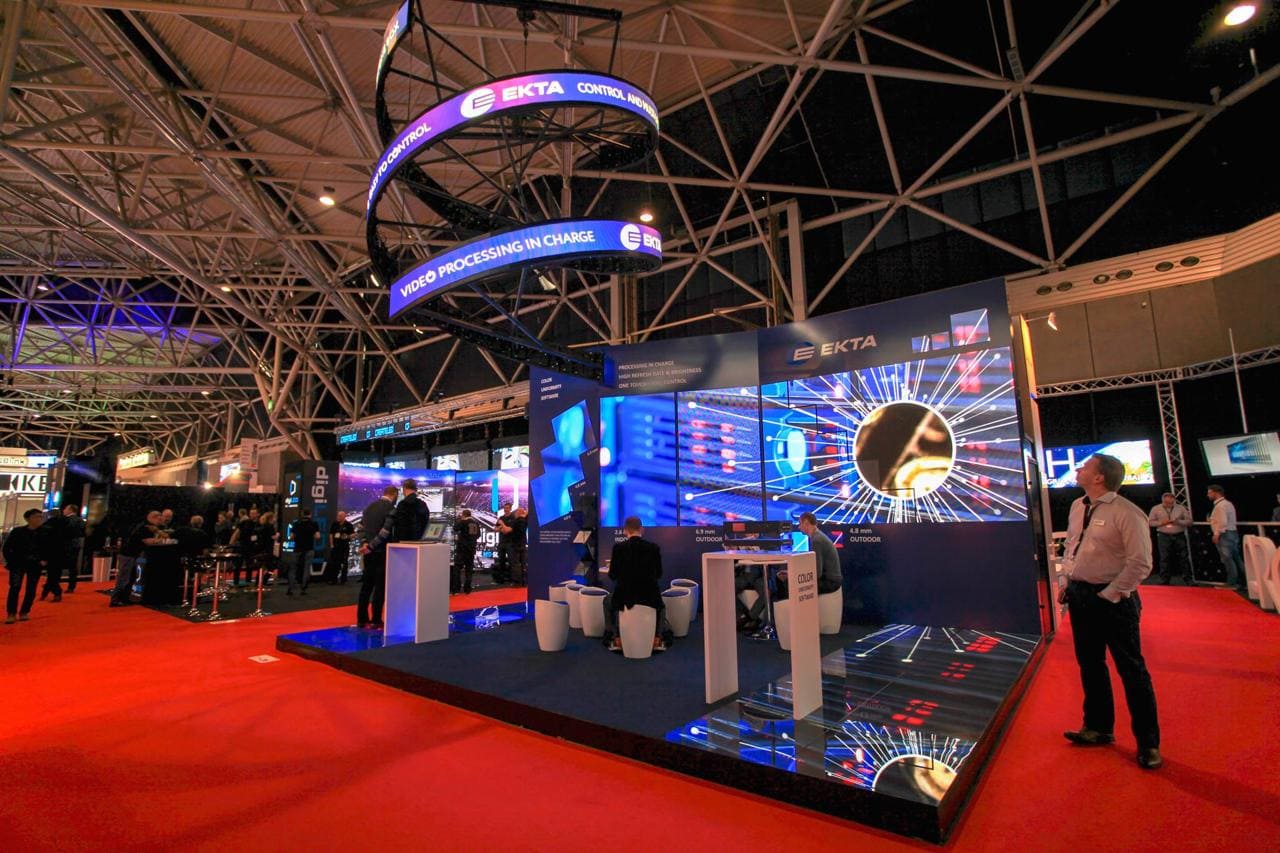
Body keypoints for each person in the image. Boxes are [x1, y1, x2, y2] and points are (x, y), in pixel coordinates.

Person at [1059, 453, 1161, 770]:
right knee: (1090, 665)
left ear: (1099, 477)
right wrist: (1067, 580)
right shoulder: (1077, 507)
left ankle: (1148, 744)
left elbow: (1140, 562)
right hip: (1080, 596)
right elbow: (1072, 547)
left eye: (1085, 467)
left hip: (1114, 601)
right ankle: (1098, 727)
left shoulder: (1127, 512)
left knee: (1131, 670)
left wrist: (1110, 593)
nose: (1078, 469)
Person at [603, 516, 669, 652]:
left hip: (624, 598)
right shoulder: (653, 548)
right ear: (642, 530)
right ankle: (657, 638)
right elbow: (659, 574)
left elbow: (612, 575)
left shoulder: (618, 548)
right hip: (649, 597)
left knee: (607, 601)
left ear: (625, 531)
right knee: (661, 606)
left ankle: (616, 637)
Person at [356, 486, 398, 629]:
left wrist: (365, 544)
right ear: (394, 495)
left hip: (368, 553)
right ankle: (376, 620)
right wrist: (371, 546)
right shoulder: (391, 509)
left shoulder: (369, 507)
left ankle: (361, 619)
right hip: (381, 552)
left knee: (366, 586)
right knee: (380, 587)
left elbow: (360, 528)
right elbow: (385, 532)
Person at [5, 509, 55, 623]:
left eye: (41, 517)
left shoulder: (46, 532)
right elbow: (7, 547)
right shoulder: (17, 532)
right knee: (15, 587)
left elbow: (51, 547)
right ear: (28, 519)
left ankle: (24, 611)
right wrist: (10, 560)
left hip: (35, 564)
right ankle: (11, 613)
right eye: (36, 517)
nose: (39, 519)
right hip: (18, 563)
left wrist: (45, 560)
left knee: (31, 589)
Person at [111, 510, 162, 606]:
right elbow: (148, 541)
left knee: (128, 577)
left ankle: (124, 598)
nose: (160, 522)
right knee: (124, 578)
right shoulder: (147, 527)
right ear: (153, 518)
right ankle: (115, 599)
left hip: (131, 554)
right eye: (159, 520)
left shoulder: (142, 525)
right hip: (128, 554)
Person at [1147, 492, 1191, 584]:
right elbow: (1150, 522)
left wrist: (1179, 522)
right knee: (1164, 558)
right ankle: (1165, 579)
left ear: (1174, 501)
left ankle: (1188, 578)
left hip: (1179, 535)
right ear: (1163, 501)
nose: (1169, 505)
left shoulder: (1181, 508)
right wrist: (1161, 523)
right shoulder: (1156, 508)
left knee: (1184, 557)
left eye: (1171, 503)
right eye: (1166, 503)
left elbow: (1189, 522)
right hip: (1163, 535)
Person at [1207, 484, 1244, 589]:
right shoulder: (1227, 503)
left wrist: (1216, 534)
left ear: (1216, 493)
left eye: (1209, 493)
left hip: (1225, 534)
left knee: (1227, 559)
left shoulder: (1220, 506)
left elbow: (1223, 522)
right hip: (1232, 533)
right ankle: (1243, 582)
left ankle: (1232, 583)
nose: (1208, 495)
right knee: (1236, 558)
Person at [287, 509, 320, 596]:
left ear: (302, 514)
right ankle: (303, 588)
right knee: (306, 568)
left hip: (297, 548)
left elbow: (291, 536)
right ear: (310, 514)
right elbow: (317, 536)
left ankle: (290, 588)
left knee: (293, 569)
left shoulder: (296, 523)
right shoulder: (313, 523)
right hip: (309, 548)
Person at [451, 509, 481, 594]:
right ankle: (467, 589)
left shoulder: (463, 522)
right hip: (471, 548)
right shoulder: (476, 523)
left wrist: (459, 520)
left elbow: (455, 528)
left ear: (463, 515)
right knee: (469, 568)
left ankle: (456, 588)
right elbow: (478, 535)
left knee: (457, 568)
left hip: (462, 549)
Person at [230, 507, 261, 586]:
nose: (252, 515)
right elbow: (237, 532)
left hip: (252, 547)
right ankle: (236, 581)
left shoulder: (259, 524)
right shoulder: (245, 522)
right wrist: (231, 544)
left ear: (258, 514)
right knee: (238, 564)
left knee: (250, 564)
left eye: (254, 513)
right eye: (251, 513)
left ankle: (248, 580)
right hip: (242, 545)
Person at [325, 511, 355, 584]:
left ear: (344, 517)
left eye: (340, 516)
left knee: (344, 562)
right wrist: (331, 544)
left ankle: (343, 579)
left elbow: (353, 534)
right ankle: (333, 579)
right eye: (338, 516)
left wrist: (348, 536)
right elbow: (331, 534)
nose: (338, 517)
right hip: (336, 546)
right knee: (335, 563)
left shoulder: (348, 525)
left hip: (344, 546)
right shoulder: (334, 524)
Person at [492, 501, 515, 583]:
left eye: (507, 508)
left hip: (510, 543)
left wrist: (502, 525)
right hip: (502, 542)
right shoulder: (501, 517)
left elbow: (508, 530)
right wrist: (502, 528)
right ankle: (501, 579)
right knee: (501, 561)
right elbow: (495, 529)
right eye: (504, 508)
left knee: (511, 561)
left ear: (510, 509)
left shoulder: (513, 518)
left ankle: (512, 579)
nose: (505, 509)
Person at [507, 506, 529, 586]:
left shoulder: (516, 521)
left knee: (515, 563)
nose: (515, 513)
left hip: (515, 544)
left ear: (519, 513)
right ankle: (524, 581)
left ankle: (517, 582)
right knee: (523, 563)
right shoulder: (525, 521)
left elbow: (507, 530)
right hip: (523, 544)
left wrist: (501, 524)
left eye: (516, 512)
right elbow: (527, 513)